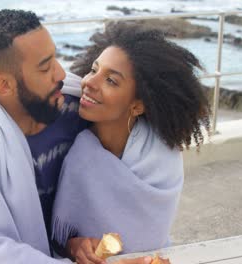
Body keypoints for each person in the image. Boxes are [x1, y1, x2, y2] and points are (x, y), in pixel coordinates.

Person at [0, 9, 157, 264]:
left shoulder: (73, 107)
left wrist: (73, 244)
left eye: (55, 58)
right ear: (3, 85)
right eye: (45, 67)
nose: (61, 74)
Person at [51, 22, 210, 264]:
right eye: (94, 70)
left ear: (137, 105)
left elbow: (151, 240)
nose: (89, 83)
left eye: (111, 81)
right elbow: (58, 237)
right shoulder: (79, 154)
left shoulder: (162, 157)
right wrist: (75, 247)